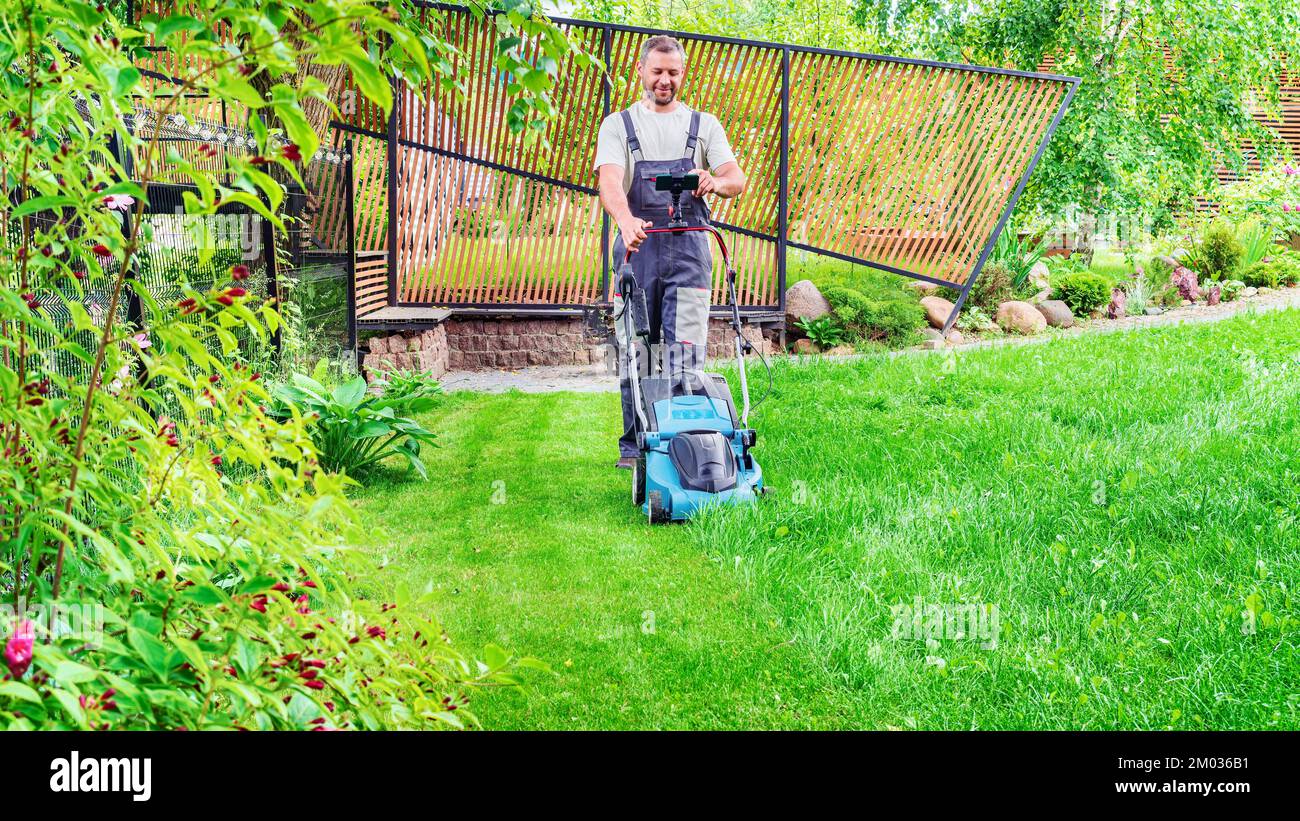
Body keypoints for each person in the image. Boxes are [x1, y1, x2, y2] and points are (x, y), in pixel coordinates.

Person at [592, 34, 748, 470]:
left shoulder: (704, 125)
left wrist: (714, 181)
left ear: (683, 74)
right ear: (641, 71)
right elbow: (609, 181)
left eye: (673, 72)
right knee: (636, 350)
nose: (664, 80)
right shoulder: (618, 126)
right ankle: (635, 445)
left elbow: (737, 178)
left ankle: (681, 441)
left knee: (683, 354)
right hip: (637, 253)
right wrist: (624, 220)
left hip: (690, 254)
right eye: (657, 71)